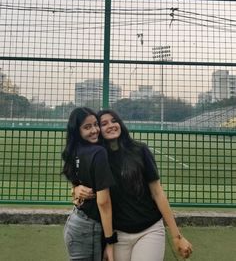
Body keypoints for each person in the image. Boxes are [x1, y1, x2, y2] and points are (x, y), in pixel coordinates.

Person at [73, 109, 193, 261]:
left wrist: (177, 236)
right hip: (117, 235)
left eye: (114, 121)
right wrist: (75, 188)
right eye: (104, 124)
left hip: (149, 229)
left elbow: (158, 193)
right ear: (98, 130)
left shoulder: (140, 150)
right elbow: (79, 178)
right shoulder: (97, 157)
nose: (111, 125)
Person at [61, 107, 117, 261]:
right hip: (88, 228)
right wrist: (110, 241)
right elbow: (103, 202)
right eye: (87, 127)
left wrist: (75, 189)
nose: (95, 130)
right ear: (77, 131)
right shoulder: (98, 152)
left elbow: (78, 181)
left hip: (76, 222)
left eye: (95, 124)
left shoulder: (75, 150)